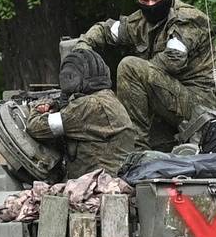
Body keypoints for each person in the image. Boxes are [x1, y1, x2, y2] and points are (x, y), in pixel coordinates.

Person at [76, 0, 216, 150]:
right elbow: (107, 30)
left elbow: (173, 60)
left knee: (130, 67)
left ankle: (136, 151)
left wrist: (135, 83)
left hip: (200, 105)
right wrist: (82, 47)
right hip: (169, 102)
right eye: (145, 1)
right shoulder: (141, 22)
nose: (151, 5)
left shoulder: (188, 19)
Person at [25, 45, 144, 176]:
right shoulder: (107, 98)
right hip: (112, 179)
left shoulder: (87, 106)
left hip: (99, 185)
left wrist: (38, 107)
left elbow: (35, 127)